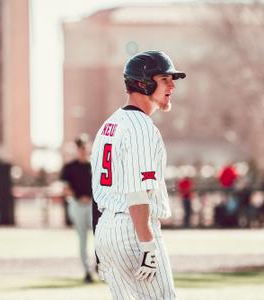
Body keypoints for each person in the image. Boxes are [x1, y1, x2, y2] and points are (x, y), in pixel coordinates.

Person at [91, 50, 185, 299]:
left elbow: (96, 193)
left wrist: (100, 244)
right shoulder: (141, 127)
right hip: (134, 231)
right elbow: (136, 193)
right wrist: (148, 246)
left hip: (107, 228)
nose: (172, 86)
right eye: (165, 79)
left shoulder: (110, 124)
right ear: (144, 83)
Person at [60, 134, 94, 283]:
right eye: (80, 147)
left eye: (84, 147)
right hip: (77, 205)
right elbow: (66, 188)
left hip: (94, 205)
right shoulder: (69, 167)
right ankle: (87, 271)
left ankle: (101, 264)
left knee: (101, 236)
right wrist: (80, 197)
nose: (82, 150)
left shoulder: (94, 164)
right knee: (82, 239)